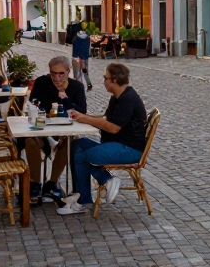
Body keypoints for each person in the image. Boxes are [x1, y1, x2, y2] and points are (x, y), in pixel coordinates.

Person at [58, 62, 148, 215]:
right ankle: (90, 192)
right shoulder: (117, 97)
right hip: (116, 143)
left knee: (81, 156)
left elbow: (112, 127)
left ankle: (98, 187)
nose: (103, 81)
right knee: (77, 145)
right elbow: (106, 119)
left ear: (114, 79)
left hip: (128, 149)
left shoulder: (127, 99)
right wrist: (83, 117)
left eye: (105, 77)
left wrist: (85, 119)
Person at [23, 56, 87, 204]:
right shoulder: (41, 82)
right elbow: (33, 103)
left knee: (69, 143)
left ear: (68, 72)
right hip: (42, 129)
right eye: (53, 73)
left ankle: (52, 183)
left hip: (63, 131)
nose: (57, 77)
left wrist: (64, 97)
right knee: (29, 142)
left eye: (61, 74)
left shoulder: (76, 87)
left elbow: (81, 111)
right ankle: (35, 183)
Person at [68, 20, 92, 89]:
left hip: (77, 56)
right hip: (85, 56)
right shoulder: (87, 37)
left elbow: (75, 47)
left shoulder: (76, 37)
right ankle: (88, 84)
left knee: (77, 73)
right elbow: (88, 47)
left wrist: (75, 56)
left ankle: (79, 86)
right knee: (85, 71)